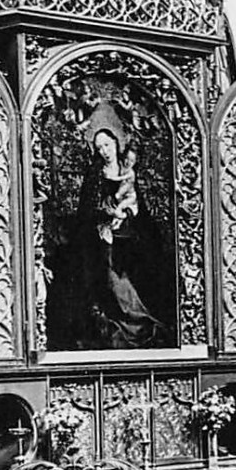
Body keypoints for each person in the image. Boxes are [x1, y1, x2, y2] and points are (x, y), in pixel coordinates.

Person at [74, 107, 166, 349]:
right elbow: (88, 208)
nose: (104, 151)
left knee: (134, 274)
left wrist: (128, 212)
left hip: (129, 236)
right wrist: (106, 212)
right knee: (112, 282)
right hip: (104, 238)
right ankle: (127, 324)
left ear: (116, 143)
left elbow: (139, 205)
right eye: (100, 147)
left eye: (107, 145)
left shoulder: (128, 171)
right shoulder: (95, 174)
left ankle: (143, 324)